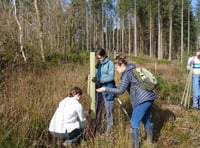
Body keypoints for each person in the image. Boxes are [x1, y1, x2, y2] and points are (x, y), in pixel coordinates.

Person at [96, 55, 157, 148]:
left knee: (134, 122)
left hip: (141, 100)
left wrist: (105, 88)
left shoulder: (126, 74)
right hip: (149, 98)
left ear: (122, 65)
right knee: (145, 119)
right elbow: (123, 88)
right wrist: (114, 89)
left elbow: (121, 91)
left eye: (116, 68)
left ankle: (135, 146)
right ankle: (150, 142)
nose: (116, 70)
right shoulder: (133, 69)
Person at [92, 48, 116, 134]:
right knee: (98, 110)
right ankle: (97, 128)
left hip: (108, 88)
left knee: (109, 110)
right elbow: (94, 74)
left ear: (104, 55)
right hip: (99, 89)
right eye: (97, 58)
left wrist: (100, 79)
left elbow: (111, 77)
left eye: (100, 58)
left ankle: (109, 132)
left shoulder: (110, 64)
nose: (98, 59)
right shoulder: (98, 64)